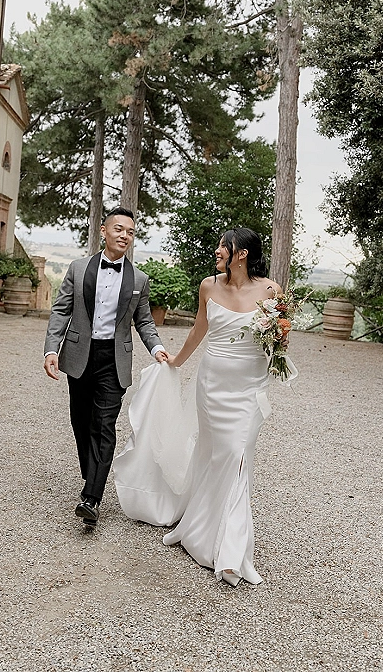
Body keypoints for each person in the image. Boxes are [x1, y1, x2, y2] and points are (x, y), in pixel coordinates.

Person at [115, 227, 281, 586]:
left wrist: (278, 336)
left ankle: (232, 551)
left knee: (237, 455)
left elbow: (281, 339)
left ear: (242, 254)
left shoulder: (270, 290)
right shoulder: (209, 286)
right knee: (211, 456)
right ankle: (199, 530)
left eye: (225, 246)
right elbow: (198, 331)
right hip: (212, 387)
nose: (218, 250)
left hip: (249, 389)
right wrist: (176, 360)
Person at [43, 206, 168, 526]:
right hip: (79, 356)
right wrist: (50, 350)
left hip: (114, 360)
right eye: (119, 229)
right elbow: (61, 311)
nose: (125, 236)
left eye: (130, 232)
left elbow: (144, 322)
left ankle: (91, 498)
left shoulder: (139, 279)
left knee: (105, 425)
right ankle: (93, 474)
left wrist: (157, 349)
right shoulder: (78, 268)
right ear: (104, 231)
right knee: (81, 422)